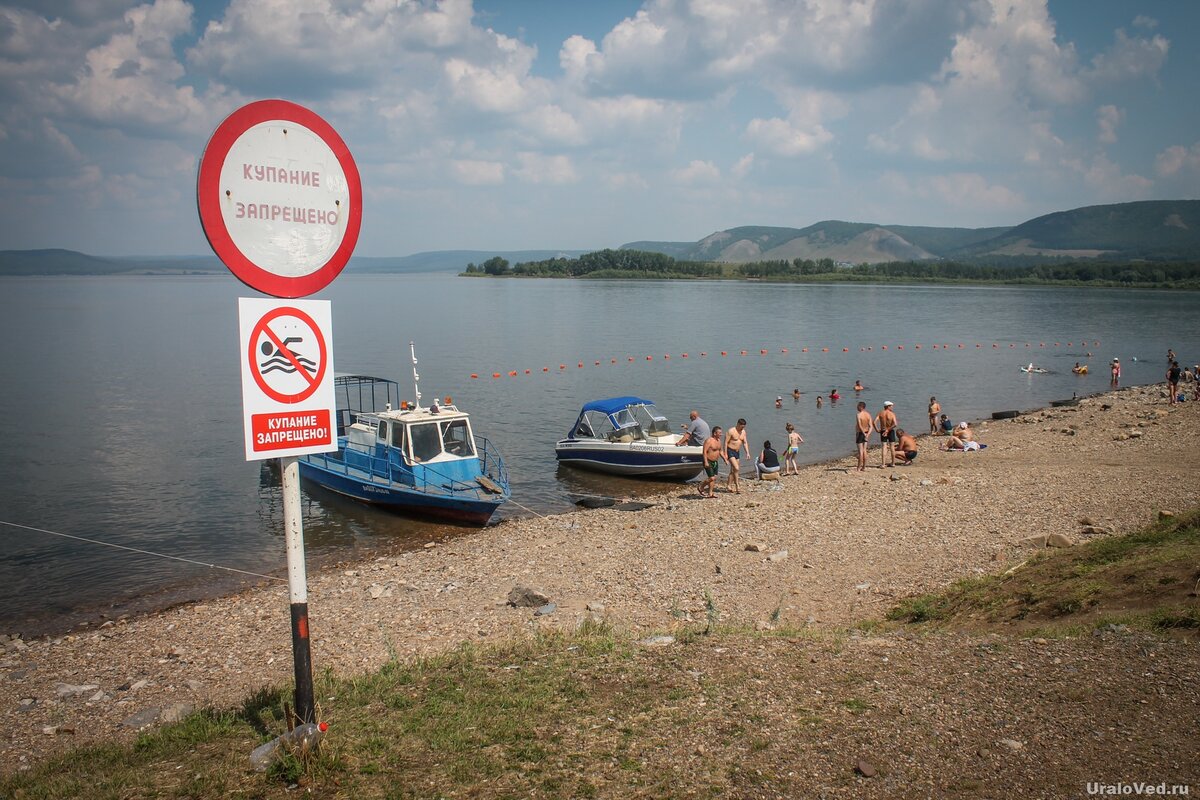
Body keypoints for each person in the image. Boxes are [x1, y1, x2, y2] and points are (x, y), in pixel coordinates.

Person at [724, 419, 749, 494]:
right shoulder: (731, 431)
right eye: (741, 427)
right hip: (730, 451)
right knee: (736, 468)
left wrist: (747, 453)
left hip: (737, 452)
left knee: (733, 470)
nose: (742, 429)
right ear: (738, 424)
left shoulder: (743, 432)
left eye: (743, 427)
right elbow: (725, 443)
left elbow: (745, 443)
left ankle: (728, 485)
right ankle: (737, 486)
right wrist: (725, 454)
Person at [700, 427, 723, 498]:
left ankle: (710, 493)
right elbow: (704, 452)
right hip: (708, 460)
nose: (721, 434)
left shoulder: (719, 441)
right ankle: (701, 487)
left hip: (715, 462)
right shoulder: (709, 441)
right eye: (719, 433)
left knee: (714, 477)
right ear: (715, 433)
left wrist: (725, 458)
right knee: (712, 478)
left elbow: (720, 451)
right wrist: (706, 462)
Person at [874, 400, 898, 467]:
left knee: (884, 447)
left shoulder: (880, 413)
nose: (892, 407)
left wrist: (877, 430)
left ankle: (883, 464)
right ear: (888, 406)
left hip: (883, 430)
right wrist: (888, 430)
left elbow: (874, 422)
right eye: (891, 406)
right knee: (892, 447)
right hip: (890, 431)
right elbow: (895, 424)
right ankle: (893, 463)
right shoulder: (892, 414)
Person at [855, 401, 871, 472]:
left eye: (858, 406)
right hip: (866, 432)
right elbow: (871, 426)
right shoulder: (868, 414)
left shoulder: (859, 415)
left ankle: (858, 467)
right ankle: (864, 467)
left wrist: (864, 434)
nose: (857, 407)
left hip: (860, 433)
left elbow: (859, 425)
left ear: (861, 407)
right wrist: (867, 434)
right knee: (864, 450)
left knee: (860, 451)